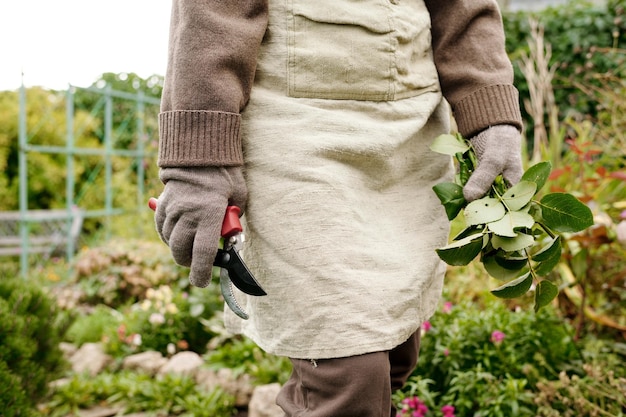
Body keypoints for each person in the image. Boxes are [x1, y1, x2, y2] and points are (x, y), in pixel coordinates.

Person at [154, 0, 524, 416]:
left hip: (409, 136)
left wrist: (491, 114)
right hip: (298, 129)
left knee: (393, 354)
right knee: (349, 371)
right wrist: (198, 160)